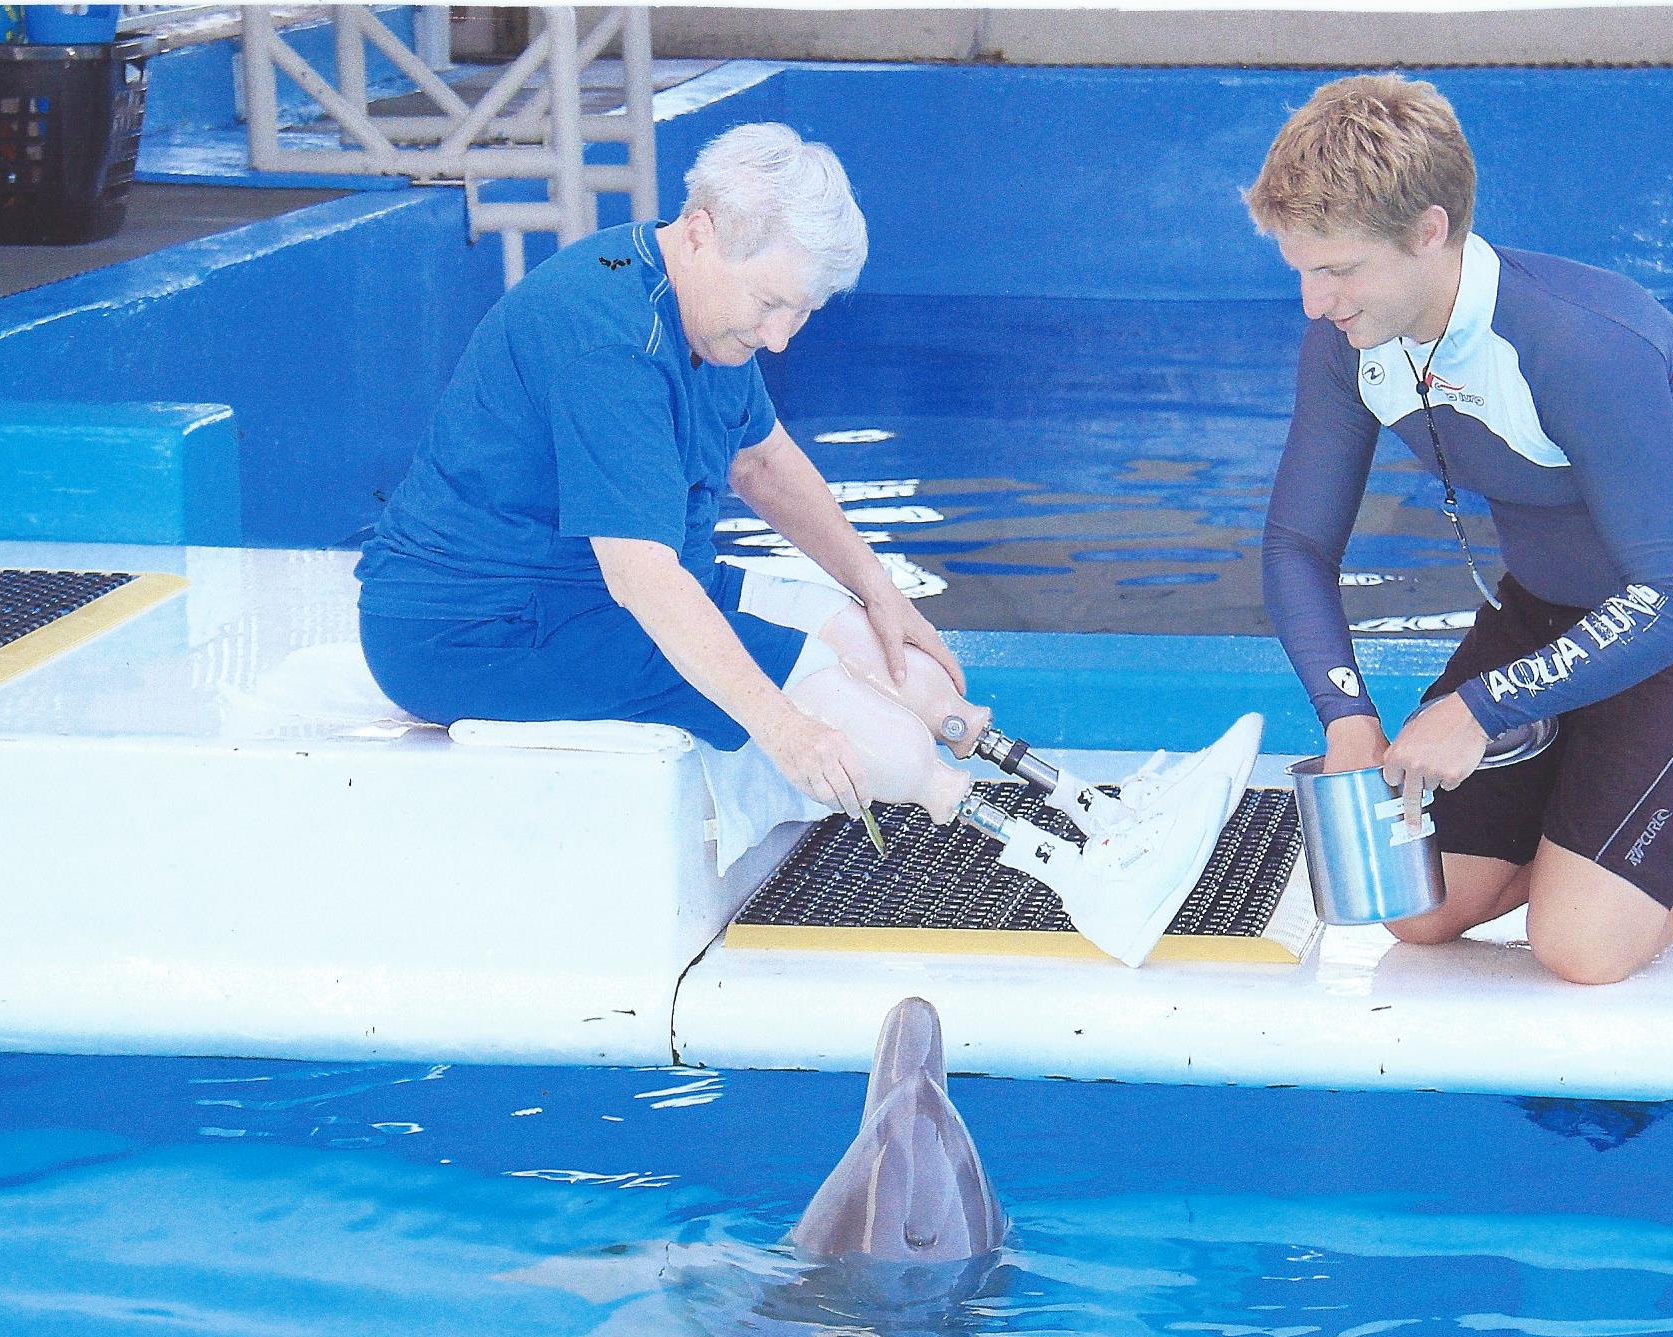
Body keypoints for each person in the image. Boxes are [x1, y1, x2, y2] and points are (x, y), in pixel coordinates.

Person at [356, 122, 1250, 967]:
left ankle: (1090, 805)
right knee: (848, 713)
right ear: (700, 232)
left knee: (882, 653)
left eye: (804, 312)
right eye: (772, 304)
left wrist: (880, 589)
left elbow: (763, 463)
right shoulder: (605, 336)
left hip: (593, 589)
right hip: (482, 627)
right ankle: (1073, 875)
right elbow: (640, 577)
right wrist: (781, 725)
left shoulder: (696, 301)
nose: (780, 338)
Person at [1246, 74, 1673, 984]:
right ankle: (1598, 783)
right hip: (1550, 604)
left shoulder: (1577, 342)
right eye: (1302, 270)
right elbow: (1297, 546)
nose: (1316, 302)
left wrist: (1481, 708)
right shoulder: (1349, 341)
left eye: (1339, 270)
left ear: (1427, 231)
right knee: (1417, 909)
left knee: (1580, 948)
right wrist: (1345, 714)